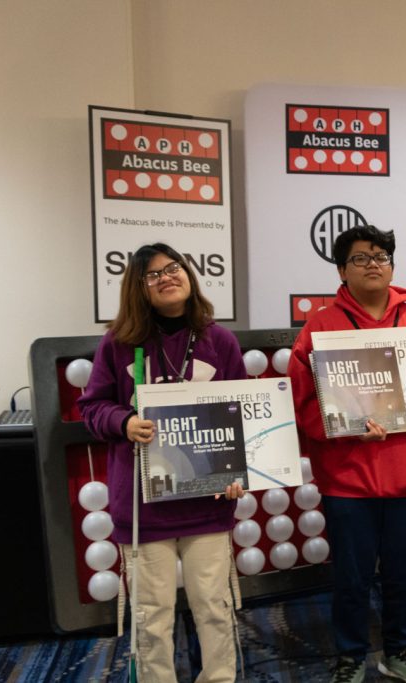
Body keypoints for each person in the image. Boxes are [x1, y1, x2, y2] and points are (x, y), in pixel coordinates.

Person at [286, 226, 406, 683]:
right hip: (348, 478)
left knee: (404, 573)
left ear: (393, 264)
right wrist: (348, 430)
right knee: (351, 578)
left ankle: (399, 651)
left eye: (382, 255)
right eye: (360, 258)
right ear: (341, 270)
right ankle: (351, 654)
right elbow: (304, 401)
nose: (373, 263)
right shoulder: (321, 325)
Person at [78, 243, 245, 682]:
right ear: (139, 288)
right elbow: (91, 408)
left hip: (206, 502)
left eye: (173, 268)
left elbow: (240, 413)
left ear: (189, 274)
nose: (167, 277)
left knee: (214, 607)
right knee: (152, 617)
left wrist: (238, 472)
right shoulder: (119, 343)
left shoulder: (220, 340)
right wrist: (124, 420)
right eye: (153, 274)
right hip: (142, 508)